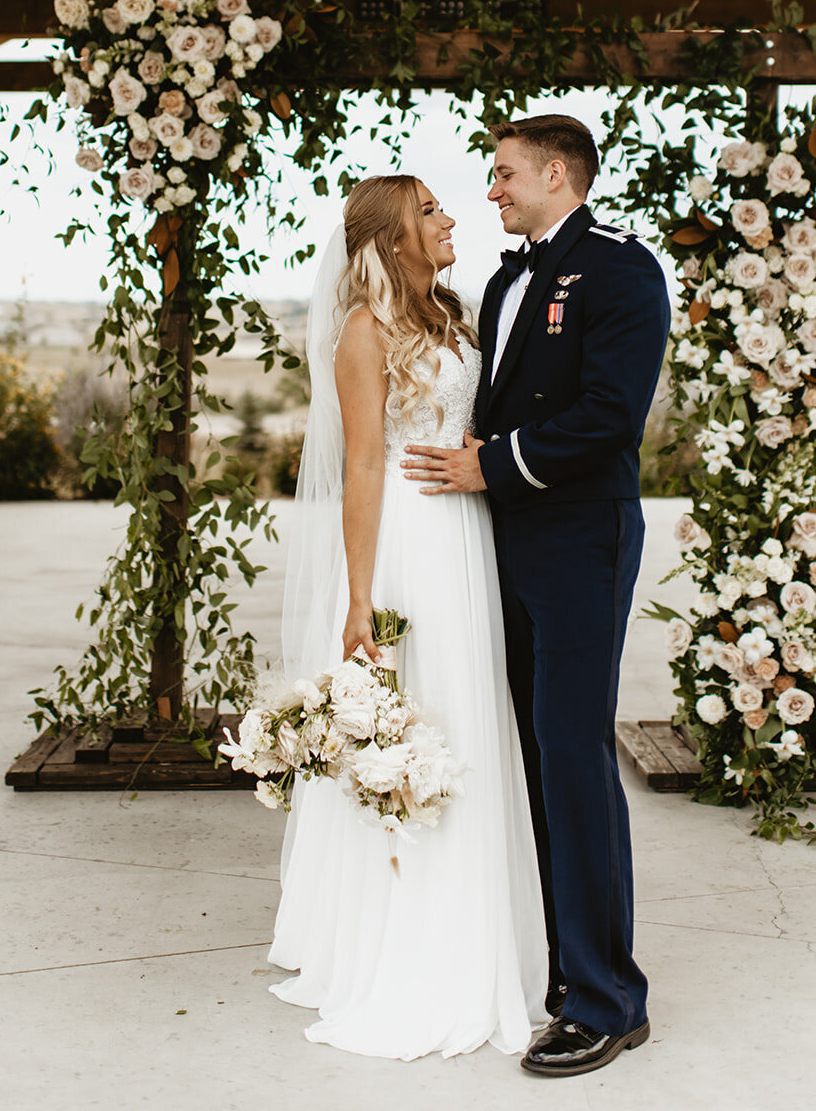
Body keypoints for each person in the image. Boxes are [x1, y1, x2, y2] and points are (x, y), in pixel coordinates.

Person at [402, 114, 671, 1078]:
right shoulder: (510, 278)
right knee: (525, 755)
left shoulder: (621, 269)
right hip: (499, 543)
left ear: (557, 173)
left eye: (505, 173)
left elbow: (609, 418)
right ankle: (562, 967)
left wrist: (491, 468)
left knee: (572, 755)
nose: (492, 191)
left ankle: (609, 1000)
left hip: (578, 541)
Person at [269, 174, 549, 1060]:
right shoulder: (366, 330)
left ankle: (483, 930)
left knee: (470, 720)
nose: (451, 216)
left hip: (467, 538)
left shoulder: (454, 314)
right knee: (416, 720)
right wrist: (359, 599)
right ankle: (409, 940)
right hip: (406, 551)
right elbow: (361, 468)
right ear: (392, 237)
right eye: (429, 210)